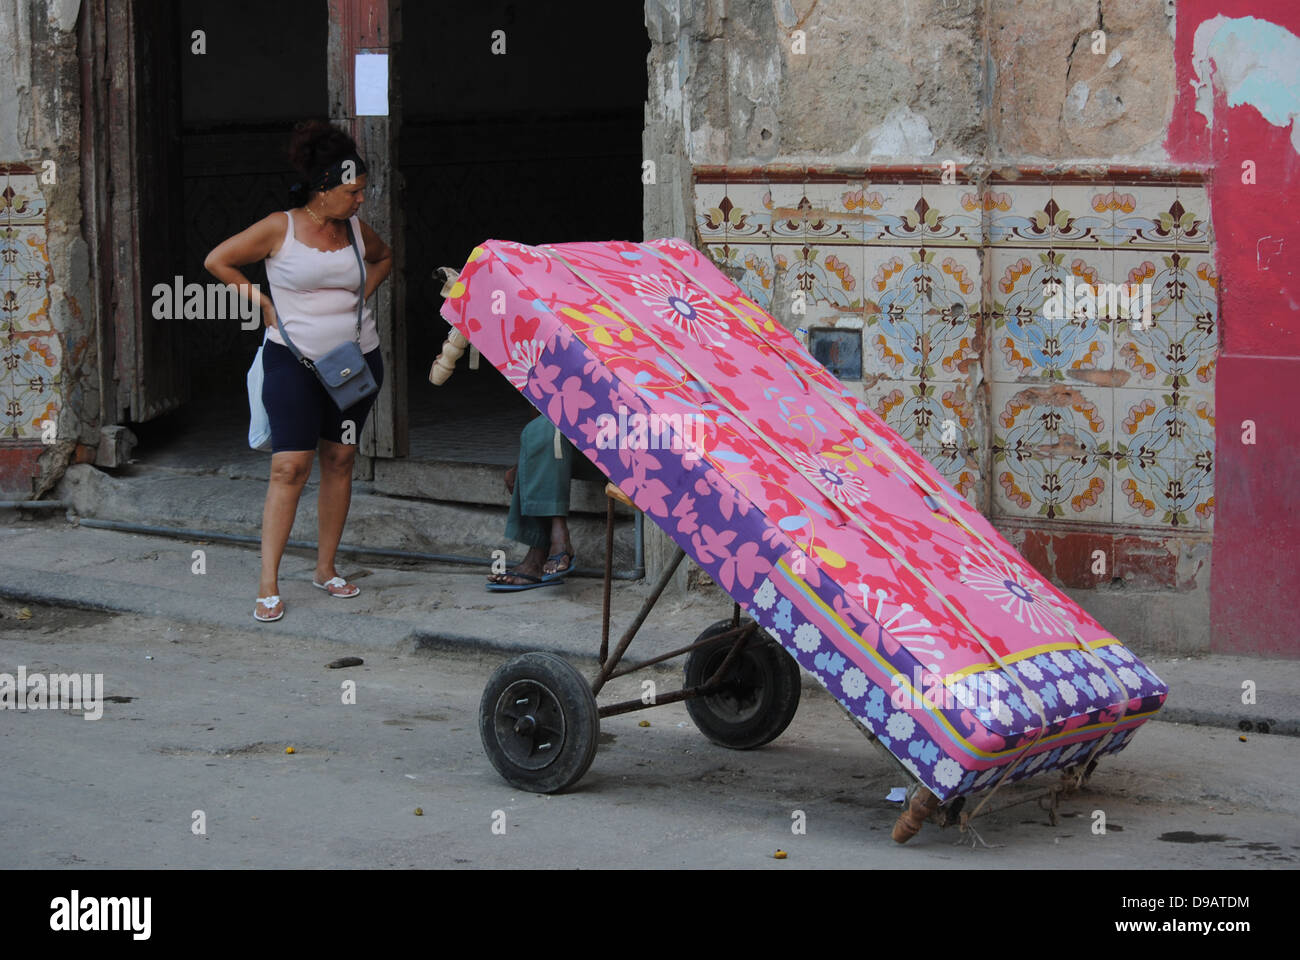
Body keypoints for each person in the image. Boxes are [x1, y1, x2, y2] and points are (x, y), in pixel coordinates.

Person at [204, 120, 392, 622]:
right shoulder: (279, 227)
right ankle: (268, 582)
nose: (360, 201)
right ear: (323, 189)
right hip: (292, 361)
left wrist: (357, 303)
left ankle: (325, 568)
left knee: (341, 457)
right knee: (290, 466)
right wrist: (260, 300)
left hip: (354, 360)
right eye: (352, 192)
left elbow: (384, 257)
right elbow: (218, 260)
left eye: (363, 191)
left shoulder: (355, 230)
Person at [486, 415, 597, 591]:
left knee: (552, 425)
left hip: (631, 441)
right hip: (591, 436)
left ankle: (545, 549)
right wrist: (528, 459)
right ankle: (552, 544)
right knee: (544, 428)